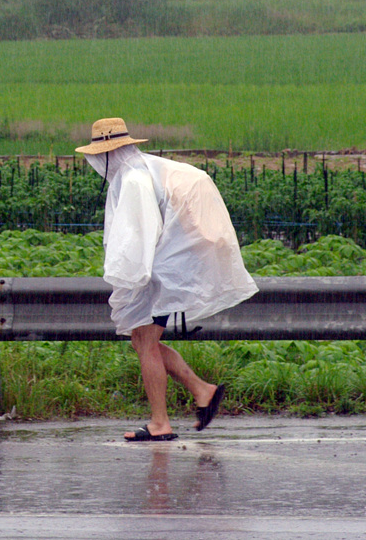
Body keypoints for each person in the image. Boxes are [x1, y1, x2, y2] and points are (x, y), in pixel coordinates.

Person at [76, 117, 258, 442]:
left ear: (106, 154)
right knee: (143, 342)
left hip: (155, 274)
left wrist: (133, 276)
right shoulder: (143, 170)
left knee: (145, 343)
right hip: (163, 269)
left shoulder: (133, 179)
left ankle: (161, 422)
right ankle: (203, 391)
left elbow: (139, 233)